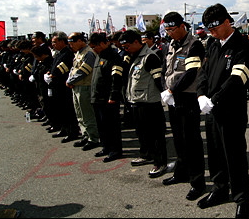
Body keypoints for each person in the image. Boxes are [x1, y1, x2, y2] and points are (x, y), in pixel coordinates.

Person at [196, 3, 249, 218]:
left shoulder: (242, 45)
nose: (212, 32)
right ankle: (219, 189)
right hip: (211, 109)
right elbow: (203, 71)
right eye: (209, 29)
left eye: (215, 27)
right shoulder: (212, 43)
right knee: (215, 154)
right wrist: (201, 95)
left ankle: (242, 198)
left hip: (231, 111)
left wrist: (215, 99)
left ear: (227, 21)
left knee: (234, 156)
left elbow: (237, 79)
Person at [160, 12, 207, 201]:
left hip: (187, 97)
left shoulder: (194, 45)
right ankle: (181, 173)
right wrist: (165, 89)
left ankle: (197, 182)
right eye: (167, 30)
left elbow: (191, 72)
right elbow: (166, 70)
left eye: (172, 29)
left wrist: (172, 91)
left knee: (192, 141)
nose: (170, 33)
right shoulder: (170, 45)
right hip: (173, 99)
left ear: (182, 26)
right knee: (178, 139)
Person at [120, 29, 167, 178]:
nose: (125, 49)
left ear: (136, 42)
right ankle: (145, 154)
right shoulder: (132, 57)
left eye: (127, 46)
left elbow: (158, 80)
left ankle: (160, 163)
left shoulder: (149, 57)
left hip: (150, 103)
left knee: (155, 135)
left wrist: (165, 97)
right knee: (141, 133)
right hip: (136, 101)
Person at [88, 33, 124, 163]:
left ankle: (115, 150)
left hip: (108, 98)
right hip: (97, 97)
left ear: (103, 43)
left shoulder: (113, 56)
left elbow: (116, 78)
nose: (93, 49)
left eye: (94, 47)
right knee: (102, 125)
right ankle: (106, 147)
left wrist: (113, 95)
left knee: (111, 126)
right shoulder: (99, 56)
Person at [66, 32, 100, 151]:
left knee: (87, 114)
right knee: (79, 114)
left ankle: (93, 138)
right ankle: (85, 135)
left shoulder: (89, 53)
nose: (71, 46)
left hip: (85, 87)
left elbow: (84, 70)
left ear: (80, 41)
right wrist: (70, 79)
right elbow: (73, 68)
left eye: (72, 43)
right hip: (77, 86)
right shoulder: (78, 53)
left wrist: (71, 81)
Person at [48, 31, 80, 143]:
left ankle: (72, 132)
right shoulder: (59, 53)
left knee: (68, 110)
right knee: (60, 109)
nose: (53, 44)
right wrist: (49, 73)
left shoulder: (67, 53)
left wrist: (53, 75)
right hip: (57, 85)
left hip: (64, 85)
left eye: (55, 42)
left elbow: (63, 69)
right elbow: (54, 66)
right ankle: (64, 129)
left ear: (62, 41)